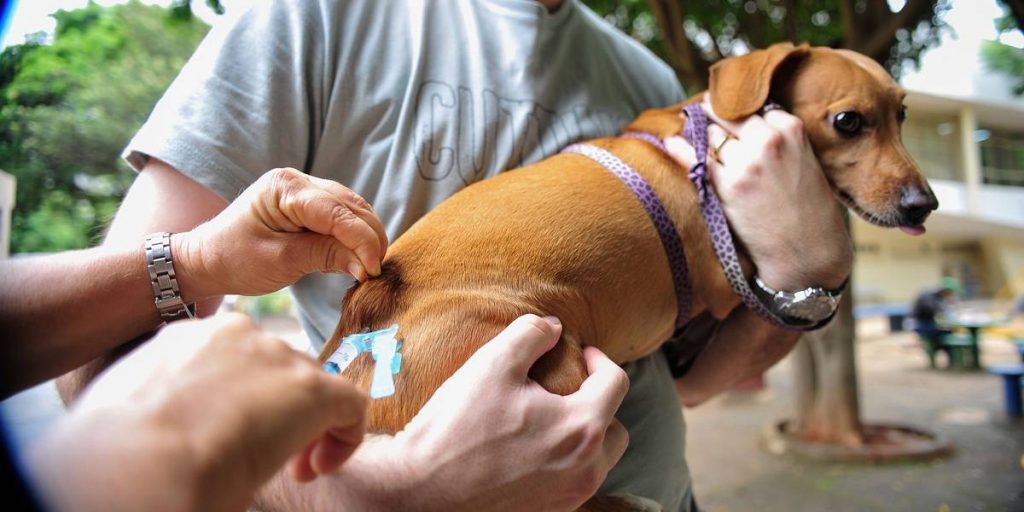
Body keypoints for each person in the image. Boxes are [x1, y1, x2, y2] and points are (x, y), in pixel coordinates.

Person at [54, 0, 851, 510]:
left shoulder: (645, 78)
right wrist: (381, 496)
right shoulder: (308, 18)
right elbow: (104, 370)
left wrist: (810, 279)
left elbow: (693, 383)